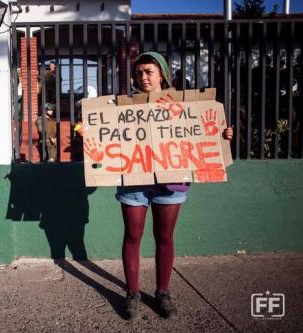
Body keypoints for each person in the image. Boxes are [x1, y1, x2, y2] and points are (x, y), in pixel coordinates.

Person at [117, 51, 234, 321]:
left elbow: (201, 131)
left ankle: (162, 293)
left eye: (149, 71)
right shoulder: (122, 106)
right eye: (138, 72)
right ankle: (132, 294)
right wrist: (90, 135)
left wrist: (221, 134)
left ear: (162, 74)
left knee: (165, 237)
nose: (143, 77)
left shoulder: (183, 105)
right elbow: (106, 134)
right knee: (133, 236)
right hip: (135, 178)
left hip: (171, 181)